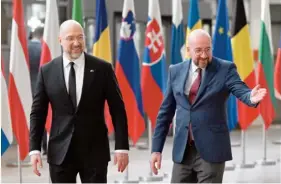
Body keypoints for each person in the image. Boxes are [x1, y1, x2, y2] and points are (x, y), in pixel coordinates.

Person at [150, 29, 267, 183]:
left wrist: (250, 97)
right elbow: (165, 113)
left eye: (207, 49)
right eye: (198, 50)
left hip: (212, 149)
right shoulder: (175, 71)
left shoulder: (225, 69)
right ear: (188, 50)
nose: (204, 55)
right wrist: (156, 149)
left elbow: (240, 89)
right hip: (183, 151)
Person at [29, 20, 129, 183]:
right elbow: (37, 113)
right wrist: (34, 149)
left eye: (80, 37)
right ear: (60, 40)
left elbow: (118, 110)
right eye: (70, 38)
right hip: (60, 152)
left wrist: (121, 147)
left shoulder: (102, 68)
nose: (76, 43)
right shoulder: (47, 71)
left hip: (95, 152)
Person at [28, 26, 48, 155]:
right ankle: (45, 146)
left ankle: (33, 145)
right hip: (44, 86)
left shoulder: (26, 47)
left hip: (28, 86)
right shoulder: (44, 48)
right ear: (42, 36)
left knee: (33, 116)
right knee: (44, 114)